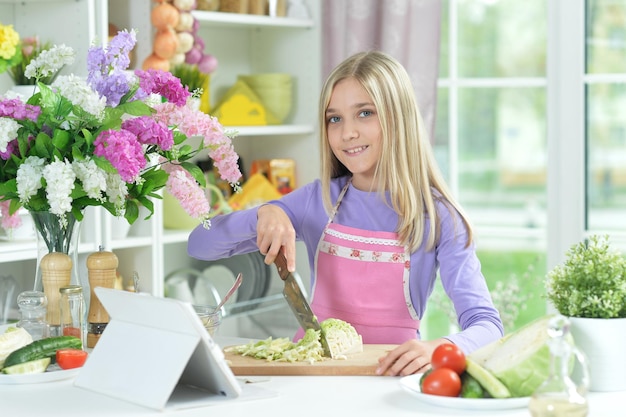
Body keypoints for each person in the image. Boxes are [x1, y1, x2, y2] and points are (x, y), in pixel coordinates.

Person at [188, 51, 504, 376]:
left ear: (399, 117)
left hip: (392, 381)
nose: (346, 133)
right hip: (312, 377)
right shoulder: (318, 199)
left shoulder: (439, 217)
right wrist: (264, 214)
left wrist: (440, 348)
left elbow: (488, 325)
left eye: (364, 113)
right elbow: (198, 244)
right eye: (334, 118)